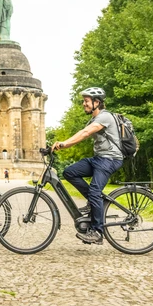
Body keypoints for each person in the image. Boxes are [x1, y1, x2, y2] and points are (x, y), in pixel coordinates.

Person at [52, 87, 124, 245]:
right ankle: (94, 202)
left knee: (94, 190)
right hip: (99, 159)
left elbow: (85, 133)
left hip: (110, 159)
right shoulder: (93, 119)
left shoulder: (105, 117)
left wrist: (64, 144)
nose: (83, 104)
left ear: (96, 102)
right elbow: (82, 133)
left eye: (86, 101)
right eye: (83, 101)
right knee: (70, 172)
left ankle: (97, 231)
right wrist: (60, 145)